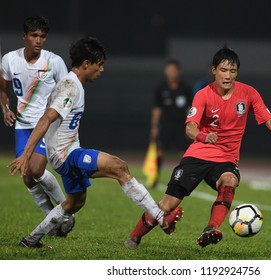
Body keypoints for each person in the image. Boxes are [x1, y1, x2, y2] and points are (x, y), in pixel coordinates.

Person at [8, 37, 183, 248]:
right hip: (66, 156)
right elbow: (46, 118)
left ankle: (31, 240)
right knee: (119, 167)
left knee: (75, 203)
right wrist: (27, 154)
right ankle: (161, 218)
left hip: (68, 152)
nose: (101, 70)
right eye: (99, 65)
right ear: (86, 64)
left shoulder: (75, 85)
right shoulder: (69, 87)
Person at [124, 46, 271, 249]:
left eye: (233, 71)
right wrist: (203, 136)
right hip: (198, 155)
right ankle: (134, 237)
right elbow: (190, 128)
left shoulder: (249, 93)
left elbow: (269, 119)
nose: (228, 76)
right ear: (214, 70)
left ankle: (211, 229)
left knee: (230, 180)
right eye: (223, 70)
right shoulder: (203, 94)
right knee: (167, 205)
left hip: (226, 159)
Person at [0, 15, 74, 236]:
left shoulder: (54, 62)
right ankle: (52, 220)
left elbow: (68, 89)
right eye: (34, 35)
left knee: (36, 169)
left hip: (46, 124)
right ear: (24, 36)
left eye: (42, 36)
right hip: (22, 125)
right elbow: (3, 89)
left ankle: (67, 212)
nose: (38, 40)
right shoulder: (9, 60)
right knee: (26, 177)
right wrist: (5, 110)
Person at [149, 59, 192, 188]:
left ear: (179, 72)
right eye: (169, 70)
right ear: (165, 71)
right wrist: (155, 126)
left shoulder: (186, 88)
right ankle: (155, 178)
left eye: (174, 70)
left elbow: (190, 108)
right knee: (160, 152)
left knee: (184, 153)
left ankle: (184, 180)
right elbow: (157, 109)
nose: (171, 73)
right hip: (165, 125)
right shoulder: (161, 88)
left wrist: (191, 124)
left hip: (181, 126)